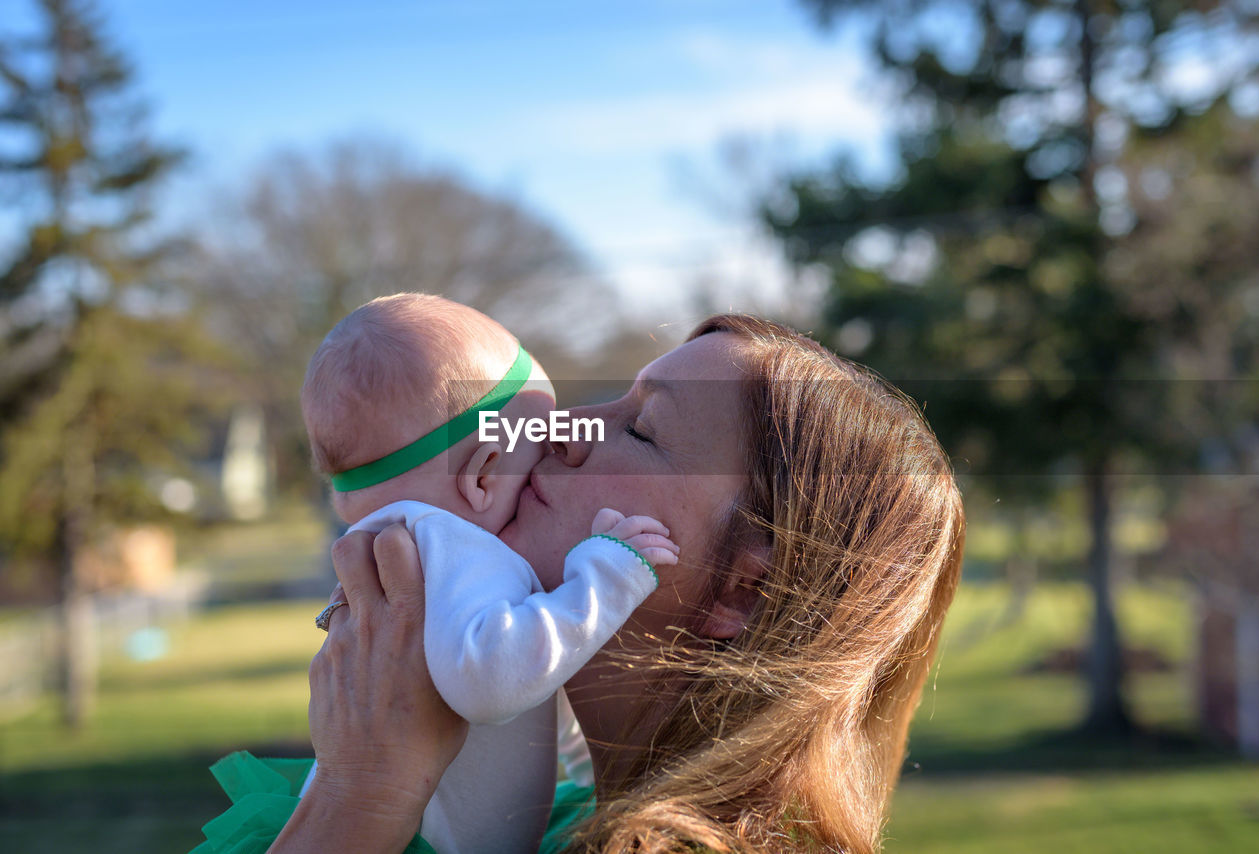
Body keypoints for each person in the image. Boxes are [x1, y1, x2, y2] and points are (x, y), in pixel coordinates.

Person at [196, 313, 965, 854]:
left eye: (640, 430)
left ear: (741, 592)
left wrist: (356, 805)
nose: (561, 427)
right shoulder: (555, 823)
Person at [288, 294, 678, 854]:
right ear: (484, 472)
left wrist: (589, 773)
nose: (561, 447)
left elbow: (535, 691)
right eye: (539, 444)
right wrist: (607, 576)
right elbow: (491, 682)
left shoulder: (414, 545)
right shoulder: (453, 544)